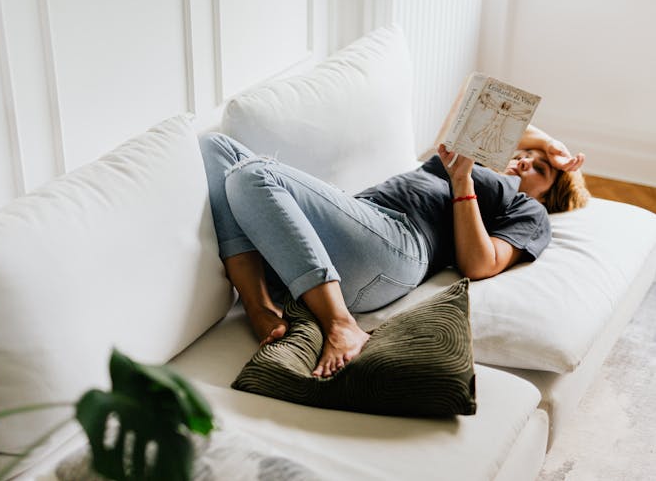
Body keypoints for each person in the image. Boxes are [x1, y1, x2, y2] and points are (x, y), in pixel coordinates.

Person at [199, 125, 589, 378]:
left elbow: (480, 263)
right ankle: (260, 306)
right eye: (524, 155)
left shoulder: (530, 210)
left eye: (539, 169)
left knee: (252, 174)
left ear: (549, 194)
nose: (524, 162)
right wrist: (550, 145)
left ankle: (340, 324)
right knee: (215, 146)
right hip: (337, 232)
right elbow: (478, 114)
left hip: (396, 247)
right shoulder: (465, 159)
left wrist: (463, 182)